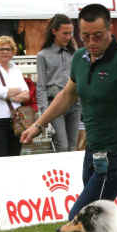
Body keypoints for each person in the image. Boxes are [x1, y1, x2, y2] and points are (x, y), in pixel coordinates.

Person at [21, 3, 117, 221]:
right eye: (85, 37)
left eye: (98, 36)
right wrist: (39, 125)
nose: (91, 43)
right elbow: (67, 95)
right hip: (94, 151)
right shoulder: (80, 58)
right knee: (100, 222)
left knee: (81, 218)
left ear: (110, 30)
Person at [36, 14, 80, 152]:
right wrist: (44, 114)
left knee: (73, 146)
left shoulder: (75, 53)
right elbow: (41, 86)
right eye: (65, 33)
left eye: (70, 33)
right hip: (54, 105)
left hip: (75, 105)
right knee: (62, 145)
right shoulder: (42, 55)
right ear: (54, 31)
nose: (68, 37)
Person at [0, 36, 30, 157]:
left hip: (16, 119)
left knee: (15, 156)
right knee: (0, 157)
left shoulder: (16, 70)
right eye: (0, 49)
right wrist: (15, 92)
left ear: (12, 51)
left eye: (8, 49)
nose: (4, 52)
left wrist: (10, 93)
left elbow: (26, 93)